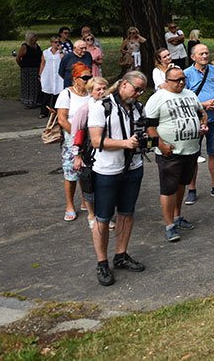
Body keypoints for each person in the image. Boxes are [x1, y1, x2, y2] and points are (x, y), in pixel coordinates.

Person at [87, 71, 149, 286]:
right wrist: (125, 143)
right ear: (124, 84)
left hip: (133, 167)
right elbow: (96, 141)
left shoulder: (138, 107)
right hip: (107, 170)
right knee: (103, 218)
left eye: (142, 90)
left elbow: (144, 132)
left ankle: (121, 255)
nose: (139, 94)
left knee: (127, 213)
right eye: (136, 89)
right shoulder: (101, 107)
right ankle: (102, 262)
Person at [144, 66, 205, 242]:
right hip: (169, 152)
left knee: (182, 185)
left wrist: (202, 123)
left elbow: (200, 113)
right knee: (168, 188)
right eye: (177, 80)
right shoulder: (157, 98)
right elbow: (148, 125)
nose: (181, 82)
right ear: (167, 81)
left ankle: (177, 216)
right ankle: (169, 224)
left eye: (183, 79)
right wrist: (160, 144)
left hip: (190, 149)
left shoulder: (190, 94)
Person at [184, 44, 214, 203]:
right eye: (201, 53)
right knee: (192, 154)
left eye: (206, 53)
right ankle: (191, 189)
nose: (205, 56)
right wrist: (203, 105)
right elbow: (183, 99)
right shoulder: (186, 74)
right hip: (195, 119)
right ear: (193, 57)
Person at [57, 62, 94, 221]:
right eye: (85, 77)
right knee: (71, 173)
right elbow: (62, 120)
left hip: (90, 139)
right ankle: (70, 204)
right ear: (75, 79)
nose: (88, 80)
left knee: (86, 172)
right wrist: (77, 136)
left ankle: (86, 200)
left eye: (90, 76)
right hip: (71, 140)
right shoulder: (67, 94)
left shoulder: (91, 94)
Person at [70, 75, 109, 229]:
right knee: (89, 185)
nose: (102, 92)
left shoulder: (109, 106)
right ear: (90, 92)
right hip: (88, 153)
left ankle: (103, 215)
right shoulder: (84, 109)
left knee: (104, 185)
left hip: (105, 152)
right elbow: (76, 134)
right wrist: (77, 157)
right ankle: (91, 215)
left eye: (104, 88)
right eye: (98, 89)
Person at [15, 31, 43, 108]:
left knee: (36, 85)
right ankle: (28, 101)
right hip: (27, 69)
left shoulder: (37, 46)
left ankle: (37, 100)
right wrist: (22, 65)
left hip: (36, 68)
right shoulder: (25, 46)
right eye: (34, 36)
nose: (36, 38)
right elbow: (18, 58)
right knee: (28, 85)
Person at [40, 35, 64, 118]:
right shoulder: (46, 52)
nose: (57, 44)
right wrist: (40, 75)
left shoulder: (62, 52)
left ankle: (55, 112)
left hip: (58, 76)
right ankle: (43, 112)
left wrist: (60, 51)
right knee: (46, 94)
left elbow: (64, 60)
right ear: (51, 43)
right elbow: (43, 64)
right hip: (48, 75)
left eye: (59, 42)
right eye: (56, 42)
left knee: (57, 94)